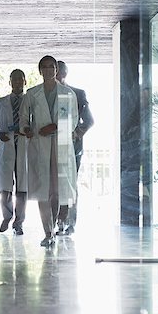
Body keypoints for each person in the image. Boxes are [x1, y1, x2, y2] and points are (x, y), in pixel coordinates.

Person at [20, 56, 78, 247]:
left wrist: (54, 127)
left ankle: (60, 222)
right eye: (43, 67)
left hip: (60, 145)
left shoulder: (67, 93)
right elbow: (23, 119)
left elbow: (73, 120)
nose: (47, 70)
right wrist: (27, 129)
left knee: (59, 189)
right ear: (39, 70)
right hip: (40, 144)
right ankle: (47, 232)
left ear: (56, 70)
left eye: (51, 67)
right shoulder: (32, 93)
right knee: (43, 190)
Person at [56, 60, 94, 235]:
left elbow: (89, 121)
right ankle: (57, 220)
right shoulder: (44, 95)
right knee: (53, 184)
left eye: (60, 72)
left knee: (69, 183)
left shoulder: (77, 93)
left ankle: (69, 222)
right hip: (50, 144)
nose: (58, 76)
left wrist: (76, 133)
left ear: (65, 74)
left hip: (72, 147)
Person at [0, 69, 28, 235]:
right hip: (6, 147)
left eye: (20, 79)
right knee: (5, 187)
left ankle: (19, 222)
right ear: (9, 82)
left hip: (25, 146)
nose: (18, 82)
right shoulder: (1, 102)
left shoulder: (31, 101)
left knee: (22, 187)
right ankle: (7, 216)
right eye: (14, 79)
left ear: (25, 81)